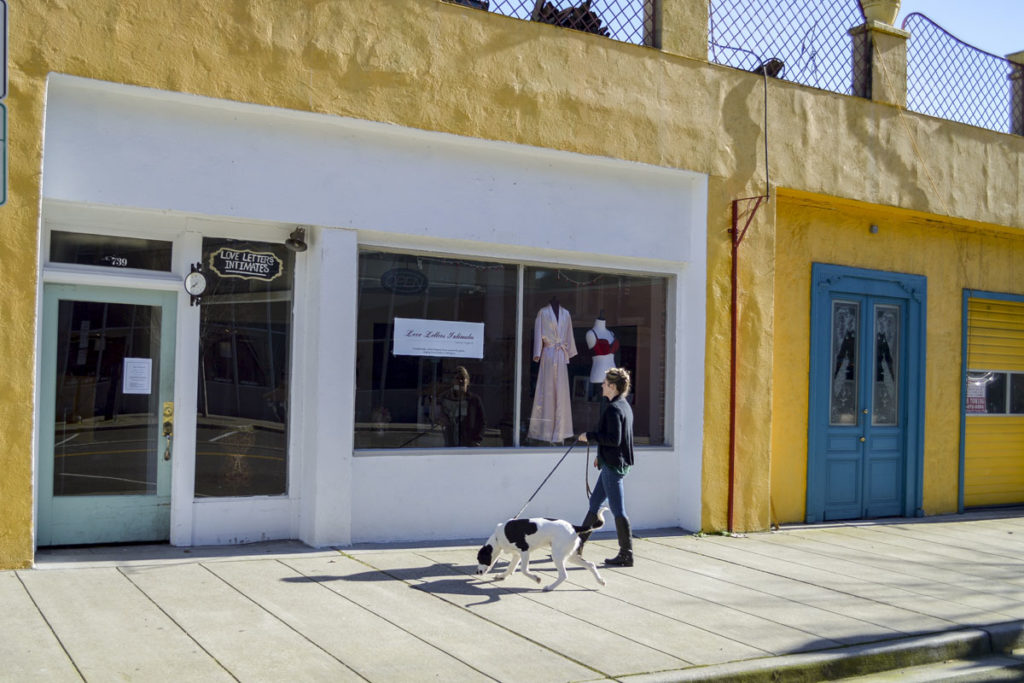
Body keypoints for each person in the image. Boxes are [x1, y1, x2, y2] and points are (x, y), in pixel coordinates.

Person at [576, 367, 635, 566]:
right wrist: (599, 457)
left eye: (604, 383)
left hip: (613, 466)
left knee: (618, 510)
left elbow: (613, 439)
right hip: (611, 462)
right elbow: (617, 440)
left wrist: (589, 437)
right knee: (594, 503)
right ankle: (577, 547)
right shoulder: (623, 405)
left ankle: (626, 554)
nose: (601, 385)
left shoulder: (613, 409)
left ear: (611, 387)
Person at [437, 366, 486, 447]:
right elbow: (437, 416)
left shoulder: (474, 400)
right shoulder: (445, 398)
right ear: (453, 381)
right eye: (457, 378)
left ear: (468, 381)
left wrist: (477, 440)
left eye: (463, 378)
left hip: (468, 444)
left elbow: (482, 422)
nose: (460, 381)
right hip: (449, 443)